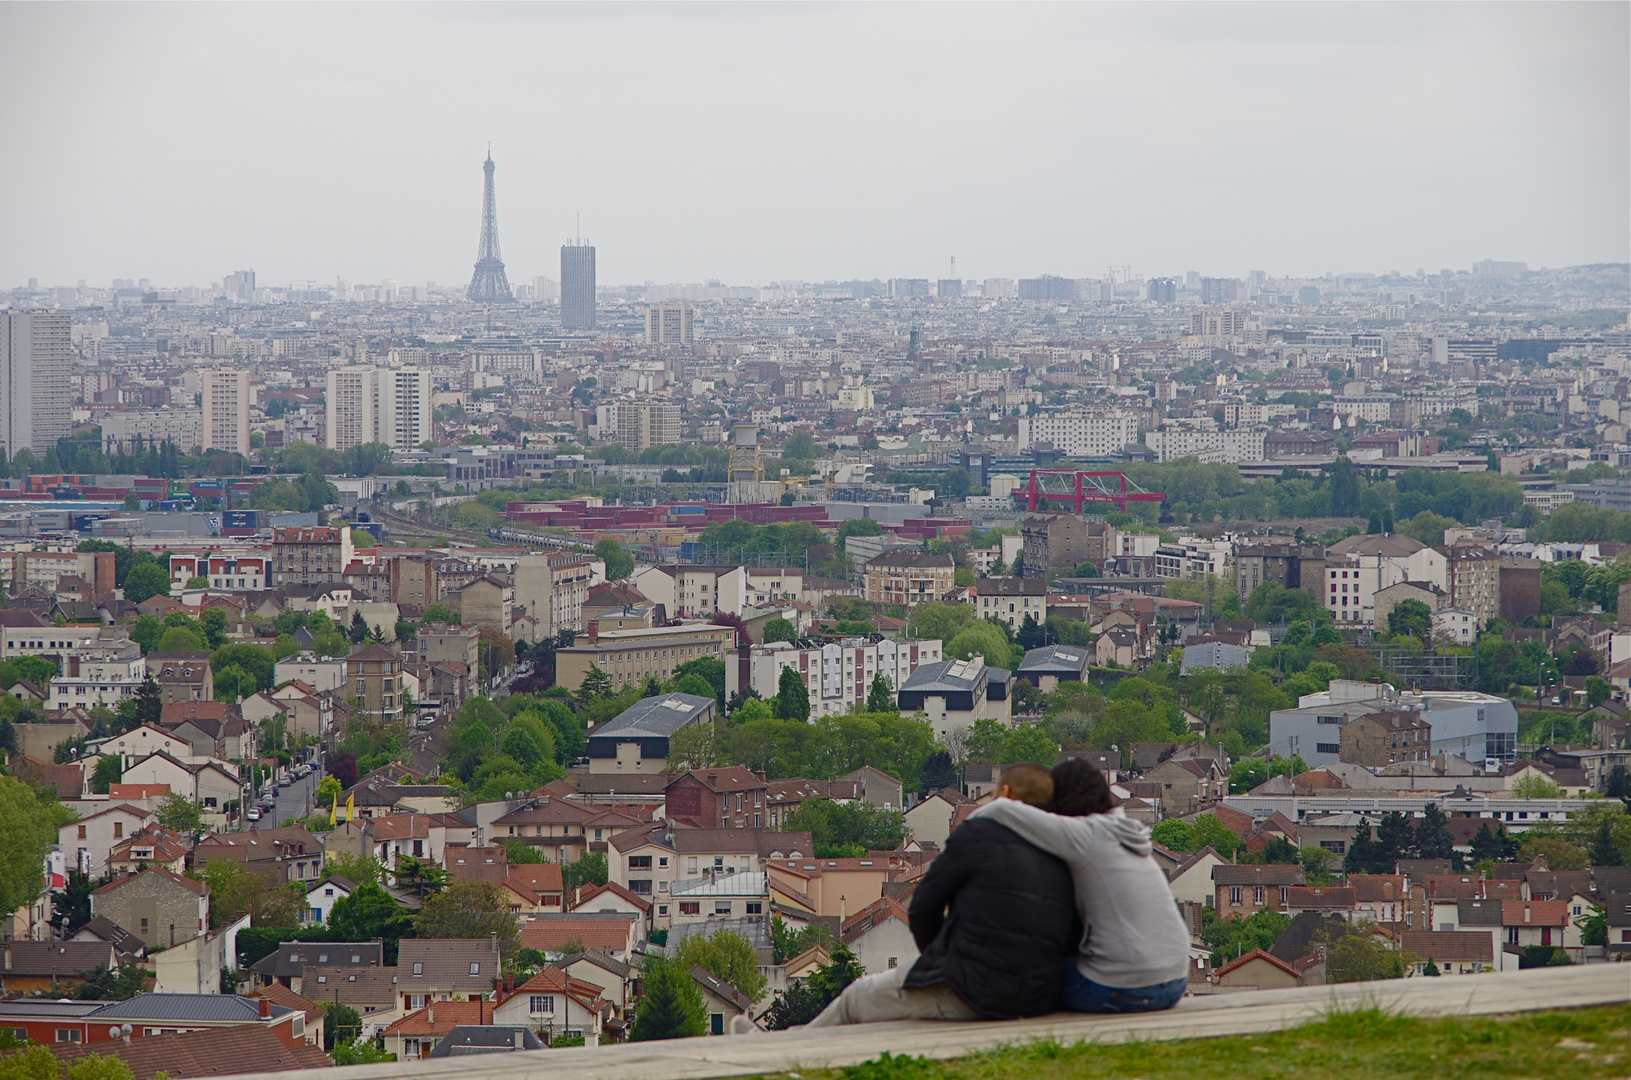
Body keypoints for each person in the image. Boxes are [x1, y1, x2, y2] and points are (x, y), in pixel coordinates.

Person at [806, 762, 1079, 1026]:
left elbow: (923, 907)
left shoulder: (979, 833)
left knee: (855, 999)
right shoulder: (1068, 847)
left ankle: (786, 1055)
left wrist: (940, 963)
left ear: (1006, 794)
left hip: (975, 993)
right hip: (1040, 996)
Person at [968, 758, 1190, 1014]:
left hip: (1125, 990)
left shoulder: (1085, 835)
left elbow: (1003, 810)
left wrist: (966, 837)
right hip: (1174, 982)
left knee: (1026, 978)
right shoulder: (1124, 831)